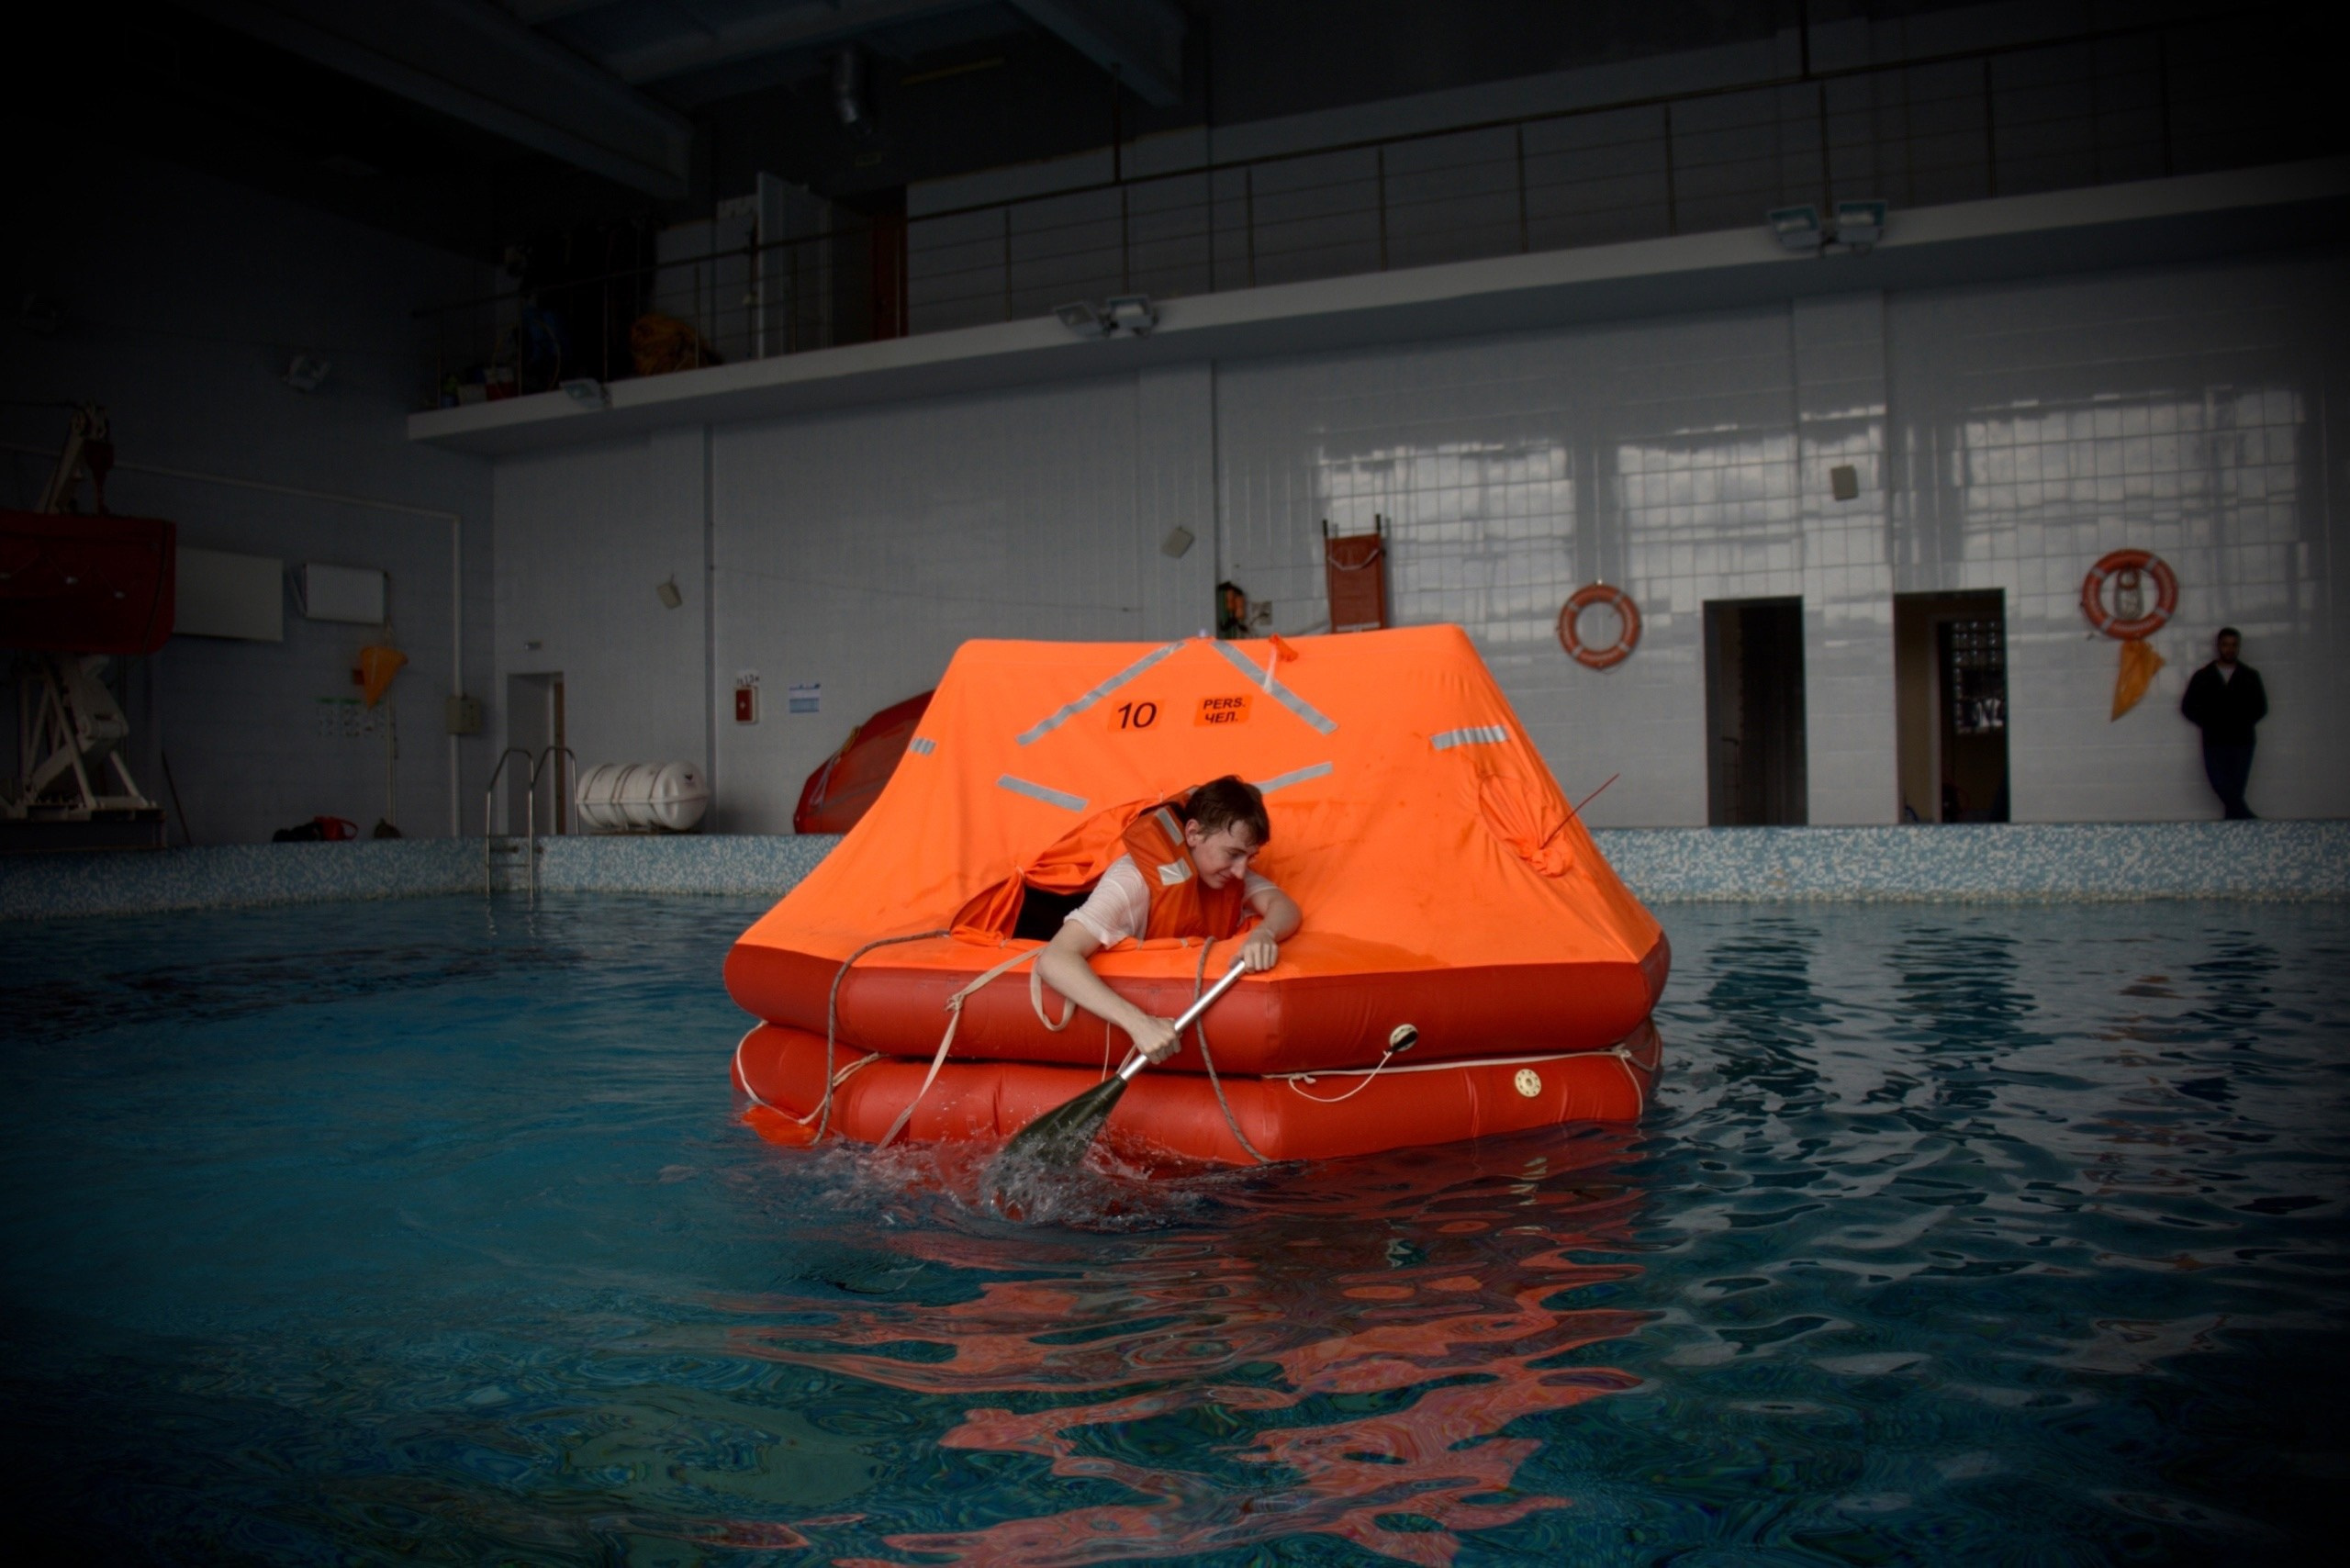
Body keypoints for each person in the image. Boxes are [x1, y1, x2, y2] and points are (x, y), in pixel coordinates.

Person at [1035, 776, 1302, 1066]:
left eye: (1249, 858)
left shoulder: (1225, 873)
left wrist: (1265, 933)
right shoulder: (1131, 880)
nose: (1240, 871)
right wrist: (1138, 1023)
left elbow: (1284, 907)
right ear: (1193, 833)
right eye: (1233, 854)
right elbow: (1055, 958)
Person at [2180, 626, 2266, 820]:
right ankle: (2246, 819)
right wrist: (2209, 722)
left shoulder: (2249, 676)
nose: (2230, 649)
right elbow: (2188, 707)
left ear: (2239, 647)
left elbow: (2261, 707)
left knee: (2235, 788)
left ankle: (2237, 824)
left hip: (2242, 741)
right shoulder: (2203, 676)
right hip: (2214, 740)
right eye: (2226, 645)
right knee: (2222, 784)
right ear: (2218, 646)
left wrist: (2241, 722)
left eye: (2234, 645)